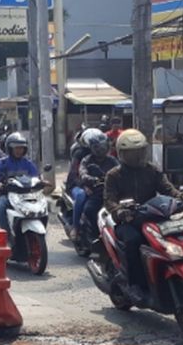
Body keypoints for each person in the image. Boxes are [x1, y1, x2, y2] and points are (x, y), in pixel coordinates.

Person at [103, 129, 177, 301]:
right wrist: (119, 211)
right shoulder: (114, 175)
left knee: (172, 236)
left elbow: (167, 188)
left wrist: (181, 198)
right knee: (134, 241)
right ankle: (134, 284)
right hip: (128, 221)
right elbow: (109, 200)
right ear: (122, 154)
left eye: (139, 152)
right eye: (131, 154)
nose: (137, 157)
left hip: (153, 216)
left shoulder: (152, 170)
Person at [0, 132, 41, 233]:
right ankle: (6, 234)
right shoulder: (2, 163)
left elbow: (35, 176)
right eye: (16, 148)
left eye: (21, 148)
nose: (19, 150)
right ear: (9, 149)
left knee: (43, 205)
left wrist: (42, 182)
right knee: (0, 207)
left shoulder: (28, 164)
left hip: (27, 195)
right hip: (8, 195)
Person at [67, 128, 116, 239]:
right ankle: (76, 227)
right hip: (78, 184)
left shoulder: (110, 159)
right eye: (97, 146)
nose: (100, 149)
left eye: (102, 146)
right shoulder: (81, 155)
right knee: (81, 196)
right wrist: (84, 185)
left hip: (99, 186)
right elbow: (75, 174)